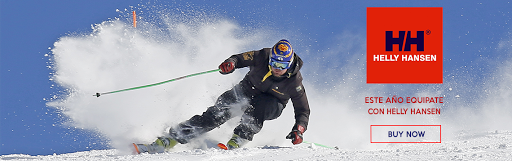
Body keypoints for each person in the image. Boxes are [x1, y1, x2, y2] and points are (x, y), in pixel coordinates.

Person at [133, 39, 310, 153]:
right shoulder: (261, 56)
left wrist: (299, 130)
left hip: (272, 103)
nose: (278, 68)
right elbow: (238, 58)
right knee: (216, 114)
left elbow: (303, 110)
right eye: (274, 62)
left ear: (290, 62)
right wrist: (230, 64)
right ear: (270, 58)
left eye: (282, 64)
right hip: (246, 90)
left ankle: (240, 138)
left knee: (262, 105)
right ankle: (170, 139)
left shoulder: (295, 82)